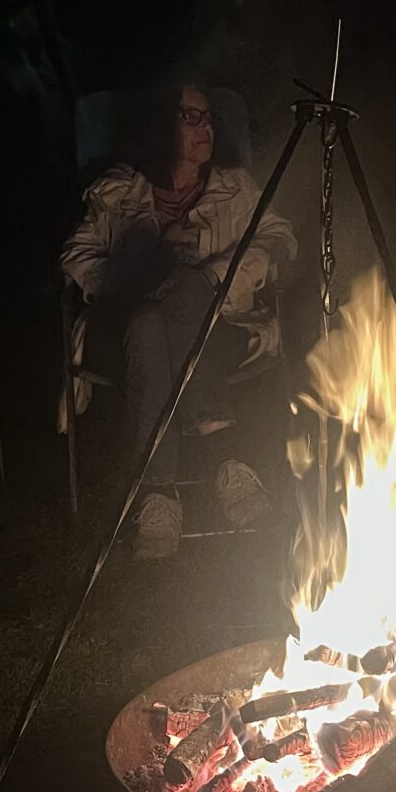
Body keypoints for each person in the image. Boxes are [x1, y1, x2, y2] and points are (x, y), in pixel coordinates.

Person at [61, 83, 296, 559]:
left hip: (222, 322)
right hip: (132, 328)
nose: (204, 127)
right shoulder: (117, 192)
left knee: (183, 294)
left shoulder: (235, 188)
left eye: (207, 117)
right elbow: (76, 255)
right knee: (150, 320)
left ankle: (157, 494)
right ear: (160, 126)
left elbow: (280, 239)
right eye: (189, 117)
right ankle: (225, 456)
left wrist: (216, 276)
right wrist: (132, 279)